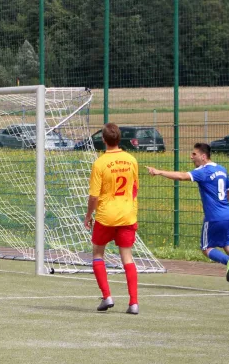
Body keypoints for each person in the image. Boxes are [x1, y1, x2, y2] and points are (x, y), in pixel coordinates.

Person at [146, 143, 229, 292]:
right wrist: (221, 203)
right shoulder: (221, 169)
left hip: (214, 218)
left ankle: (228, 261)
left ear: (203, 157)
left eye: (194, 154)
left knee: (206, 248)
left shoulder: (203, 171)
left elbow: (181, 176)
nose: (191, 157)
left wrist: (158, 171)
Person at [84, 123, 140, 315]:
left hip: (106, 216)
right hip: (127, 215)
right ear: (120, 138)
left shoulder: (100, 163)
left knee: (98, 254)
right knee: (127, 257)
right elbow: (134, 189)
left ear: (103, 140)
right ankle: (134, 303)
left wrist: (88, 215)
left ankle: (107, 296)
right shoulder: (131, 160)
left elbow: (94, 196)